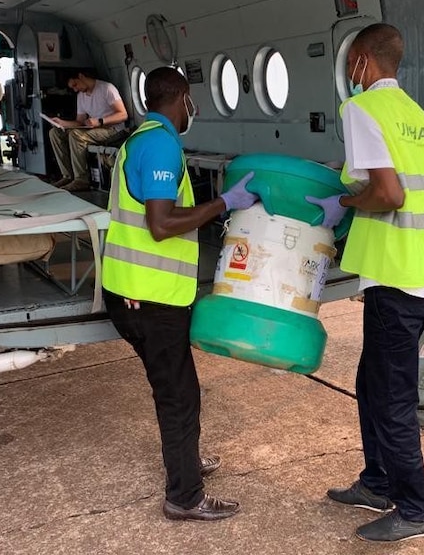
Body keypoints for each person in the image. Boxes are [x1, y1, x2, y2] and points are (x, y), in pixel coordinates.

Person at [306, 23, 424, 543]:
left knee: (391, 399)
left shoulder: (361, 109)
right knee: (370, 383)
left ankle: (415, 509)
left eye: (352, 62)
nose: (350, 71)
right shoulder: (422, 120)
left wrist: (343, 202)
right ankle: (376, 482)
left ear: (363, 62)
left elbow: (388, 194)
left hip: (396, 276)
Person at [101, 66, 258, 521]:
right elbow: (161, 224)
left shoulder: (140, 137)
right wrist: (224, 204)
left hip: (135, 291)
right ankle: (184, 497)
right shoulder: (161, 144)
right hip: (149, 299)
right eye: (192, 102)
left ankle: (186, 463)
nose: (194, 110)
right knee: (178, 394)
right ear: (182, 99)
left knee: (178, 388)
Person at [49, 71, 129, 191]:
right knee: (54, 133)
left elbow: (123, 114)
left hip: (113, 129)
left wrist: (100, 121)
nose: (76, 89)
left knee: (76, 135)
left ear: (81, 76)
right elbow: (79, 122)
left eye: (75, 85)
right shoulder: (81, 96)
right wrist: (62, 123)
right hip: (94, 129)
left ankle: (81, 179)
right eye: (73, 88)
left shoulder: (106, 88)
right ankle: (67, 176)